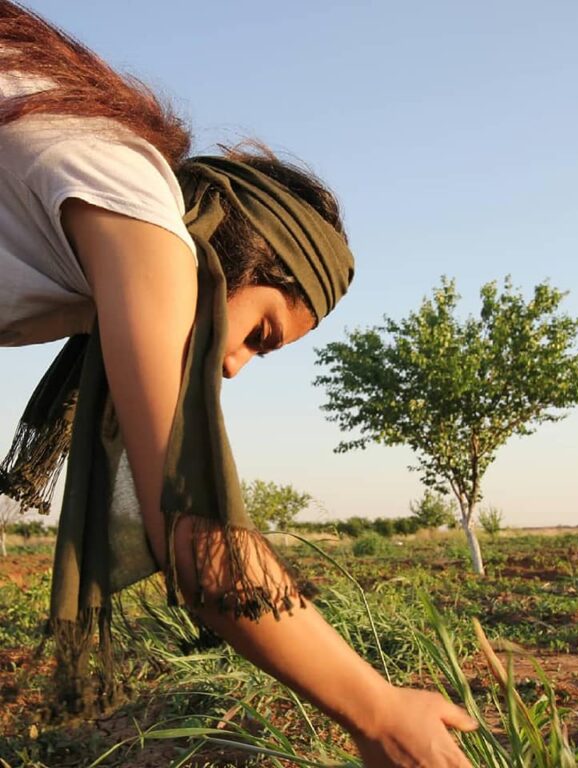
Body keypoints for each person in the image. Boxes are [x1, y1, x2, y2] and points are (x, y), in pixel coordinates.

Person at [0, 2, 478, 766]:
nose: (233, 365)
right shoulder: (141, 215)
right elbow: (193, 536)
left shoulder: (95, 199)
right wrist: (379, 710)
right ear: (239, 252)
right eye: (260, 333)